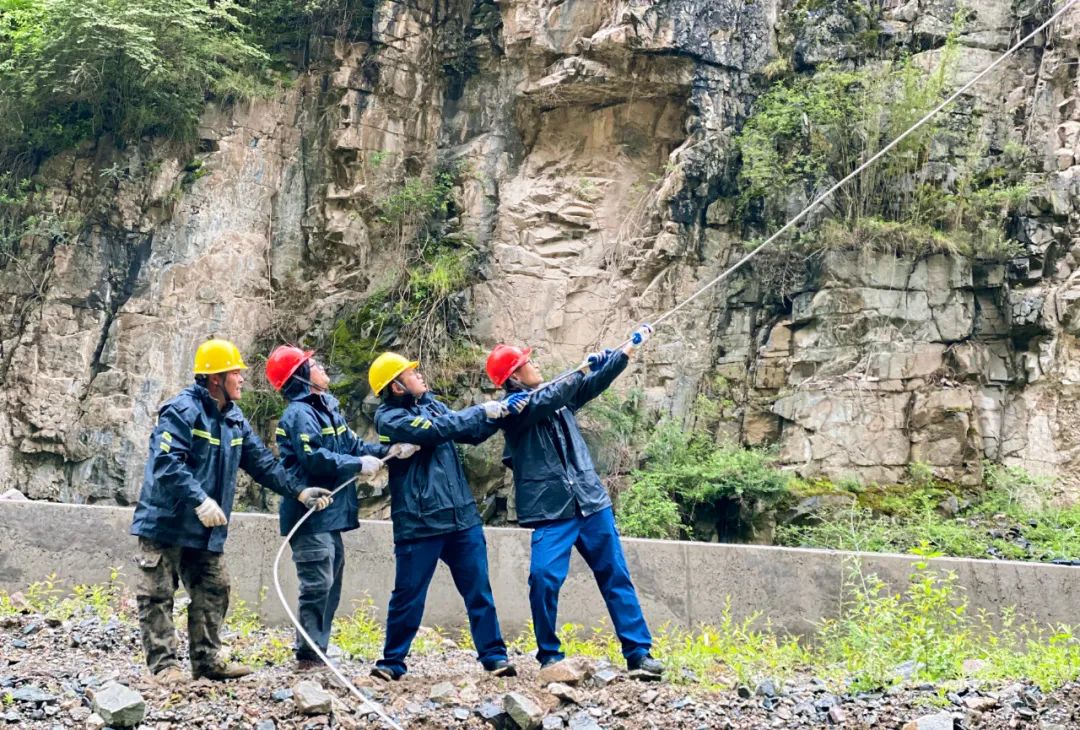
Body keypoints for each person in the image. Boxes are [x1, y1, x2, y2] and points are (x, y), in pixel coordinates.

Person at [131, 339, 332, 685]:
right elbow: (167, 462)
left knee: (214, 588)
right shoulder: (181, 411)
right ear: (216, 378)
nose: (241, 378)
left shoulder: (234, 419)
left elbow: (263, 464)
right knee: (158, 593)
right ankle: (165, 667)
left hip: (205, 527)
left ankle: (207, 663)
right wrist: (199, 499)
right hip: (166, 521)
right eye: (235, 372)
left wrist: (299, 491)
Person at [485, 325, 664, 677]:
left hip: (591, 502)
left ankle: (638, 654)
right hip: (552, 511)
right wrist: (580, 369)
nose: (535, 364)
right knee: (543, 578)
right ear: (514, 376)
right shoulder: (514, 411)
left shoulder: (557, 397)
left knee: (616, 575)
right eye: (528, 362)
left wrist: (627, 348)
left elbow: (594, 382)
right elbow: (548, 399)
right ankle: (549, 654)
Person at [366, 352, 528, 680]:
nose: (419, 375)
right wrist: (482, 409)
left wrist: (501, 412)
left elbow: (468, 431)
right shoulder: (389, 419)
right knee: (408, 595)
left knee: (478, 590)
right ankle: (392, 662)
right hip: (420, 522)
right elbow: (437, 429)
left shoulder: (432, 405)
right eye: (411, 373)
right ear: (397, 387)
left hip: (461, 518)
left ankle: (494, 656)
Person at [265, 345, 419, 671]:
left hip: (330, 515)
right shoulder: (299, 414)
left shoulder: (327, 408)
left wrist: (389, 450)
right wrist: (356, 464)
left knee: (330, 583)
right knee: (317, 584)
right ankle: (308, 655)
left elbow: (353, 445)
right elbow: (313, 457)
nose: (321, 367)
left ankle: (317, 648)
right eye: (313, 364)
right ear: (301, 377)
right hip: (309, 515)